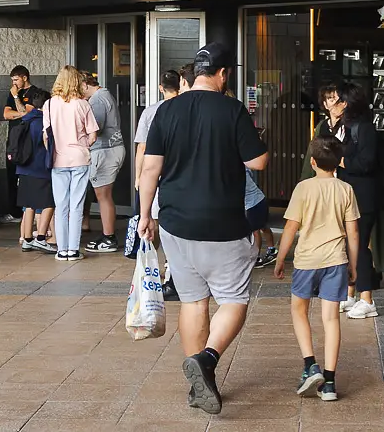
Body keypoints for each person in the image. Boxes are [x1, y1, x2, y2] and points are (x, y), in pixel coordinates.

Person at [138, 42, 269, 416]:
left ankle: (198, 380)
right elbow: (257, 161)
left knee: (194, 300)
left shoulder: (167, 110)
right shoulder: (232, 109)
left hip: (175, 224)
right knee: (233, 301)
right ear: (224, 74)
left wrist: (146, 214)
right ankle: (207, 360)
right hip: (223, 224)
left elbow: (150, 169)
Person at [273, 134, 360, 403]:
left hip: (307, 261)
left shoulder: (303, 188)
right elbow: (353, 231)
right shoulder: (345, 189)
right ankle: (330, 382)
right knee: (331, 319)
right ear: (339, 162)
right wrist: (354, 266)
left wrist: (279, 258)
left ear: (312, 162)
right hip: (336, 260)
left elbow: (290, 227)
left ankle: (310, 365)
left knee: (299, 310)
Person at [322, 81, 382, 319]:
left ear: (348, 103)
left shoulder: (364, 128)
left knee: (359, 246)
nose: (334, 104)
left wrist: (340, 161)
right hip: (345, 195)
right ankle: (350, 293)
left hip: (363, 196)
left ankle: (367, 299)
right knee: (347, 246)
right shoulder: (341, 128)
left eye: (338, 100)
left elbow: (366, 163)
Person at [134, 68, 183, 297]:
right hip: (178, 178)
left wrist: (138, 176)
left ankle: (152, 272)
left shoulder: (152, 112)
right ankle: (172, 272)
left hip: (156, 176)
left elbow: (142, 147)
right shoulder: (186, 110)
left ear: (161, 87)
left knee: (152, 224)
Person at [46, 65, 98, 260]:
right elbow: (93, 134)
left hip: (58, 160)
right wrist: (84, 143)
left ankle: (62, 249)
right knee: (77, 204)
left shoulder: (50, 104)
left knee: (61, 206)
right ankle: (73, 249)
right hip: (79, 158)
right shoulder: (82, 104)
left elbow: (46, 136)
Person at [81, 72, 127, 254]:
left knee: (103, 196)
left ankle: (109, 238)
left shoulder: (97, 100)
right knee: (103, 196)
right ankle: (107, 235)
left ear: (85, 84)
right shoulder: (104, 95)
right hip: (110, 150)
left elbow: (95, 129)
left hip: (105, 151)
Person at [15, 87, 56, 252]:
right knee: (49, 202)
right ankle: (40, 237)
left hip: (24, 168)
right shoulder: (42, 122)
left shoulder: (26, 120)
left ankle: (27, 239)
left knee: (29, 204)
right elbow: (48, 145)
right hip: (40, 168)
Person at [2, 65, 36, 225]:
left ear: (24, 77)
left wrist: (17, 99)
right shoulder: (12, 92)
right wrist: (21, 113)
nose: (14, 84)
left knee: (27, 177)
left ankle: (29, 212)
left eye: (16, 79)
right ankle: (14, 211)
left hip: (27, 141)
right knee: (11, 175)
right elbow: (6, 114)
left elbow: (28, 115)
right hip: (13, 142)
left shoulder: (34, 93)